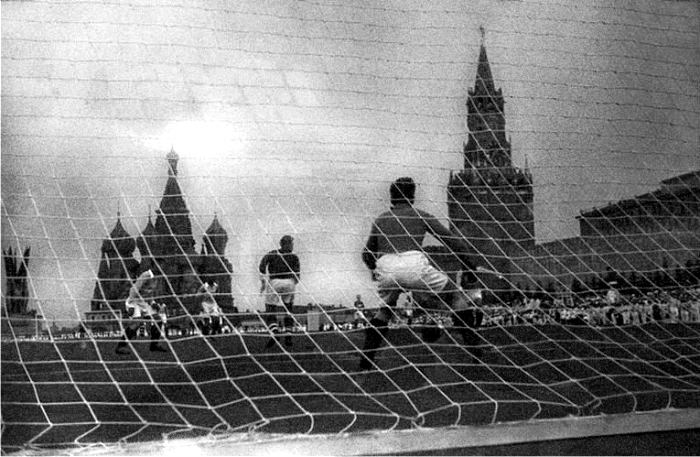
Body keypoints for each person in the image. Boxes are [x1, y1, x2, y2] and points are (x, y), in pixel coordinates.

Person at [359, 177, 477, 370]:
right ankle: (475, 349)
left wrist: (374, 270)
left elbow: (366, 253)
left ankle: (366, 358)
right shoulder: (420, 215)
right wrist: (469, 266)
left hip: (387, 265)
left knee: (385, 310)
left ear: (391, 197)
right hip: (413, 263)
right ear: (412, 196)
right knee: (455, 296)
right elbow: (452, 241)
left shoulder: (381, 219)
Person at [259, 235, 301, 347]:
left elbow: (262, 266)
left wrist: (263, 282)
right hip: (290, 282)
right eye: (291, 243)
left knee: (270, 308)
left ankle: (274, 332)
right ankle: (288, 335)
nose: (292, 246)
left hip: (274, 282)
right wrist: (292, 284)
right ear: (285, 244)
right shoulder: (294, 257)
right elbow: (297, 276)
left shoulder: (272, 253)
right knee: (288, 309)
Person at [116, 269, 167, 354]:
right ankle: (121, 346)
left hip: (143, 303)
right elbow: (133, 290)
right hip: (134, 302)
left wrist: (153, 303)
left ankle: (154, 346)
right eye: (161, 264)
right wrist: (130, 305)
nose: (163, 267)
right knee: (136, 323)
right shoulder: (146, 275)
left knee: (158, 319)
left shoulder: (158, 278)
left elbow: (148, 294)